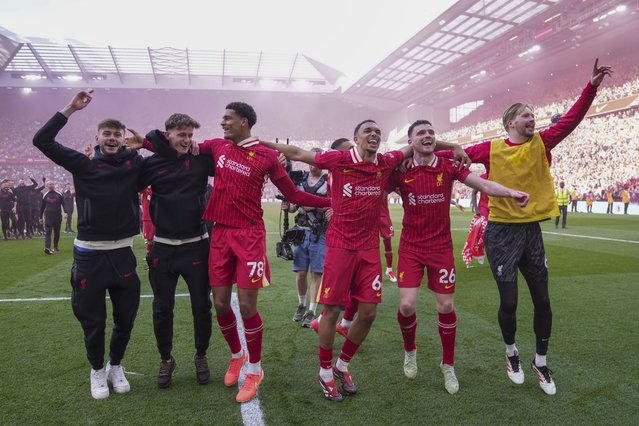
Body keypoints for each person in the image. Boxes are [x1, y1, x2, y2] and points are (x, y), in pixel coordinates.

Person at [261, 120, 470, 402]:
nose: (374, 134)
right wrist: (259, 143)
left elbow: (420, 144)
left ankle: (342, 365)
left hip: (369, 247)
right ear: (356, 138)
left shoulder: (387, 161)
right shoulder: (338, 159)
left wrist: (454, 145)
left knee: (369, 313)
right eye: (368, 131)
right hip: (339, 246)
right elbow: (298, 153)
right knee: (331, 310)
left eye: (377, 132)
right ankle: (324, 371)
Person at [450, 59, 612, 395]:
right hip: (501, 232)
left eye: (533, 114)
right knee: (509, 303)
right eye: (526, 114)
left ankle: (541, 360)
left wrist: (591, 86)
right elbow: (457, 156)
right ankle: (511, 354)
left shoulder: (542, 142)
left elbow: (571, 120)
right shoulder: (490, 149)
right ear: (511, 122)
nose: (532, 118)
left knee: (543, 301)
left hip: (530, 233)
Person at [197, 102, 331, 403]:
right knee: (219, 303)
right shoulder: (217, 146)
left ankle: (255, 370)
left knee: (246, 306)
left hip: (249, 235)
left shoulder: (268, 157)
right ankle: (236, 355)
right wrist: (150, 142)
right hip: (220, 232)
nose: (222, 122)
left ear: (244, 122)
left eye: (227, 118)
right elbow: (187, 147)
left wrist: (330, 202)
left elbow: (294, 194)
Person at [391, 120, 529, 395]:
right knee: (407, 306)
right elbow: (374, 191)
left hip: (440, 248)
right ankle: (410, 351)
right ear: (411, 141)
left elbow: (483, 184)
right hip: (411, 248)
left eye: (431, 132)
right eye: (421, 133)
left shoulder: (448, 166)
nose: (428, 136)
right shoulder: (400, 172)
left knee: (445, 307)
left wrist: (511, 193)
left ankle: (448, 365)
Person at [33, 89, 144, 400]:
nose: (111, 138)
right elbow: (41, 141)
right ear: (98, 138)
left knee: (126, 319)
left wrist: (145, 144)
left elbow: (168, 161)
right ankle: (97, 369)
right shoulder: (83, 164)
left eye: (116, 134)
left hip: (122, 253)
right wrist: (71, 108)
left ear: (123, 138)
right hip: (90, 256)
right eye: (106, 133)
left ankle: (115, 366)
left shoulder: (135, 165)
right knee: (93, 322)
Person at [130, 113, 215, 389]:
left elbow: (233, 163)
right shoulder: (152, 164)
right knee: (162, 309)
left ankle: (201, 355)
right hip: (163, 248)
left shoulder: (202, 160)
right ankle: (166, 359)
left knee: (202, 307)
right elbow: (128, 182)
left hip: (196, 246)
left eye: (190, 135)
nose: (187, 140)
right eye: (182, 134)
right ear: (168, 135)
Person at [284, 149, 329, 328]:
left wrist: (316, 207)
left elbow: (334, 204)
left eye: (316, 160)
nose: (312, 163)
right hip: (302, 232)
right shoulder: (300, 180)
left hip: (319, 233)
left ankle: (312, 309)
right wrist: (288, 208)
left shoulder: (329, 181)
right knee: (300, 272)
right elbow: (294, 208)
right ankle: (301, 305)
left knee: (316, 273)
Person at [40, 180, 64, 254]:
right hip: (48, 216)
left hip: (57, 216)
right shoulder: (45, 195)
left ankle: (55, 247)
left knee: (57, 232)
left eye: (53, 184)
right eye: (50, 184)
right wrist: (40, 217)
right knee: (48, 232)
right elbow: (42, 207)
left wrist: (66, 212)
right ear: (47, 186)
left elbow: (64, 203)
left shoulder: (59, 194)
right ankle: (47, 248)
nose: (52, 185)